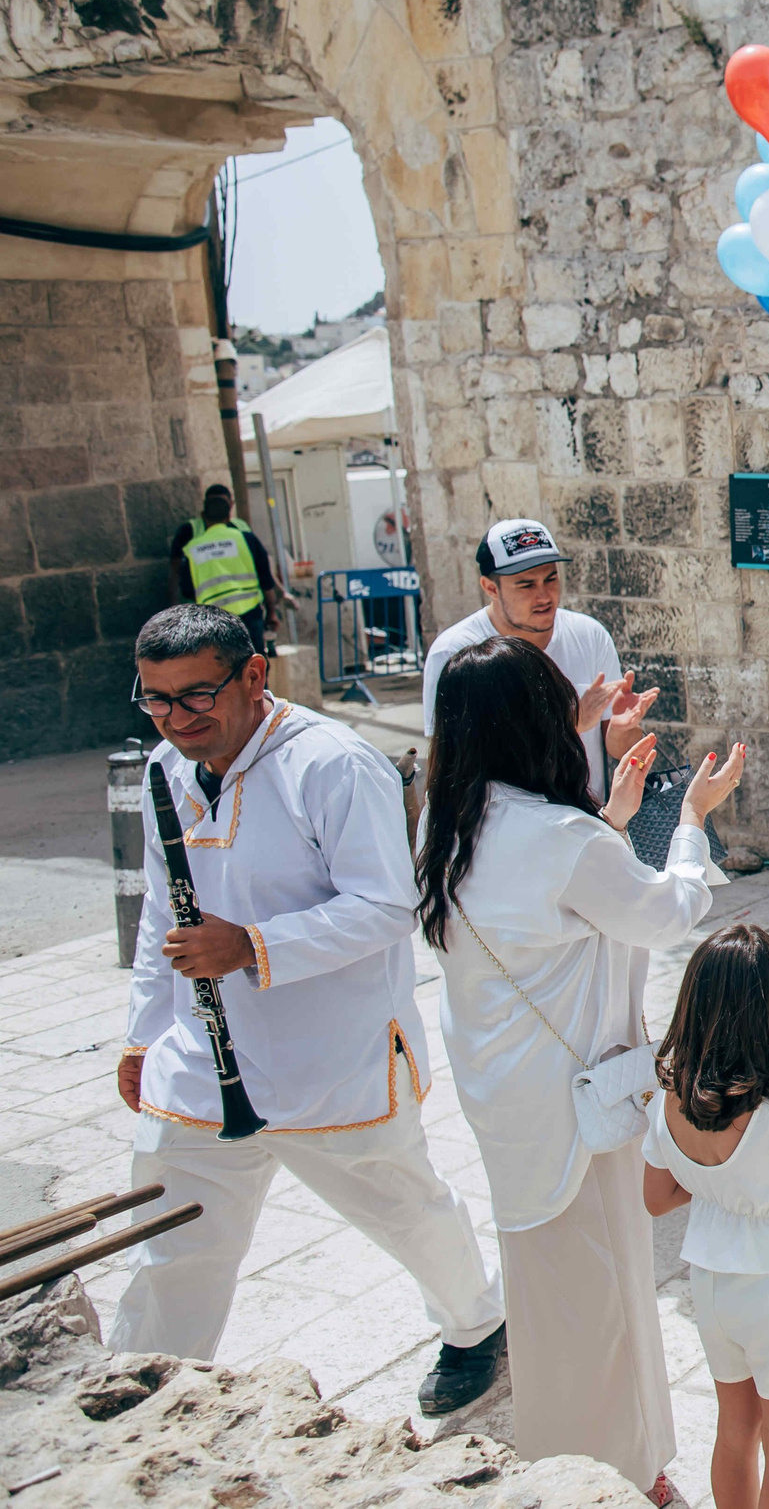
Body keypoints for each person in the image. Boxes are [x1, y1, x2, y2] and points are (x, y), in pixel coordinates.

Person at [110, 605, 505, 1416]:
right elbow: (162, 915)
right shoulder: (165, 768)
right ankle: (146, 1391)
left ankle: (478, 1324)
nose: (176, 719)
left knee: (404, 1208)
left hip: (332, 1060)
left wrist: (251, 947)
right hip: (201, 1058)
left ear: (254, 677)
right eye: (156, 700)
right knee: (171, 1238)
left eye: (195, 696)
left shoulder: (333, 764)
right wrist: (141, 1033)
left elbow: (388, 907)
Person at [415, 635, 747, 1498]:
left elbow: (545, 909)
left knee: (556, 1294)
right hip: (575, 1111)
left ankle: (612, 1459)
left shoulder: (451, 822)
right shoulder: (561, 837)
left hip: (506, 1098)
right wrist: (690, 821)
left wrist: (608, 822)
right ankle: (607, 1476)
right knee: (602, 1300)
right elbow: (666, 912)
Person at [643, 925, 769, 1509]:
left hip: (712, 1284)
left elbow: (657, 1198)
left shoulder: (671, 1096)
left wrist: (717, 1182)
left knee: (735, 1433)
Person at [421, 518, 657, 802]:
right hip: (496, 832)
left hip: (585, 827)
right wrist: (568, 728)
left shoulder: (589, 635)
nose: (544, 595)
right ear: (490, 588)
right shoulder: (454, 652)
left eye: (551, 578)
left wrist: (623, 731)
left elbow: (623, 753)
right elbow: (451, 766)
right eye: (526, 585)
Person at [167, 483, 282, 651]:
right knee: (254, 667)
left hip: (213, 619)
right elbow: (265, 579)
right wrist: (271, 612)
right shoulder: (246, 538)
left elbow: (186, 588)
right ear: (229, 516)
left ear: (203, 515)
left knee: (223, 670)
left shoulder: (192, 547)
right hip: (249, 615)